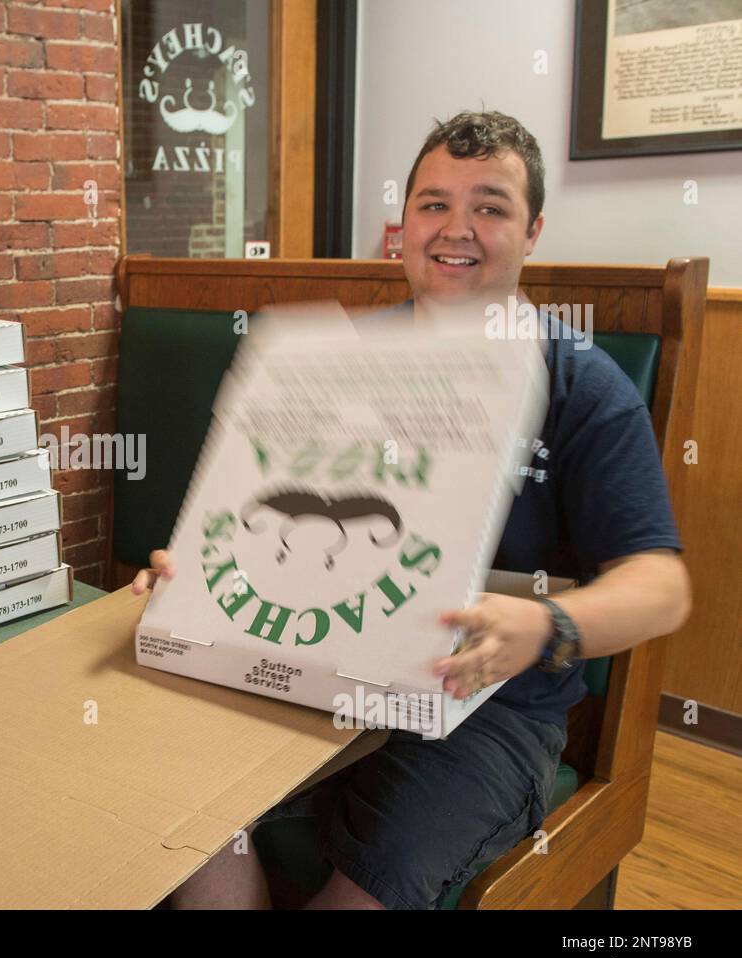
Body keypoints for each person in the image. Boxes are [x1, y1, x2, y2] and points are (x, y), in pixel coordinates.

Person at [133, 110, 692, 910]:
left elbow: (661, 585)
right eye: (433, 204)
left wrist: (543, 625)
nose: (454, 228)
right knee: (170, 797)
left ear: (532, 231)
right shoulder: (334, 362)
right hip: (307, 667)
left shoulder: (583, 385)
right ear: (404, 227)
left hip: (488, 712)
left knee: (381, 869)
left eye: (489, 207)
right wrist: (195, 582)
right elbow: (263, 522)